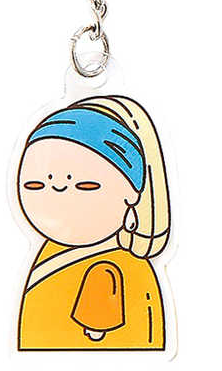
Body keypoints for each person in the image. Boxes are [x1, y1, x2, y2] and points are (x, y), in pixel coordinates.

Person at [16, 95, 170, 350]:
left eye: (85, 186)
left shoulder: (105, 270)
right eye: (35, 185)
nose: (57, 196)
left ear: (133, 193)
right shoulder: (59, 248)